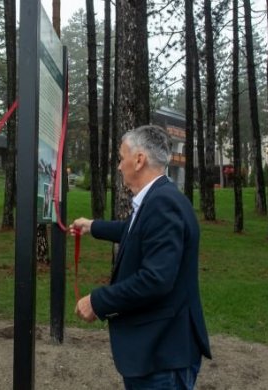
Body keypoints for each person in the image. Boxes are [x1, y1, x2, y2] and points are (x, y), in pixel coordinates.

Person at [69, 125, 211, 390]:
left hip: (161, 354)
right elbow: (137, 233)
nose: (120, 166)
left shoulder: (162, 203)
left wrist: (98, 301)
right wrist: (93, 226)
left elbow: (156, 279)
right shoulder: (160, 198)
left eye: (122, 158)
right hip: (161, 349)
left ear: (139, 159)